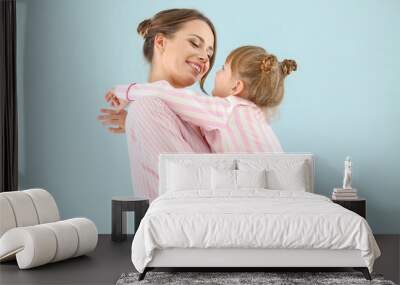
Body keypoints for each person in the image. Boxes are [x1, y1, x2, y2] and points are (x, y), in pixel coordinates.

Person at [107, 45, 296, 154]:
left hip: (244, 196)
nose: (216, 72)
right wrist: (136, 122)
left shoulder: (228, 109)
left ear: (236, 87)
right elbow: (188, 126)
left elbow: (171, 95)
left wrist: (126, 92)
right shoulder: (254, 118)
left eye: (223, 68)